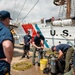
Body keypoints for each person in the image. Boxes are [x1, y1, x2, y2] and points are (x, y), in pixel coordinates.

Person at [0, 10, 14, 75]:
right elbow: (7, 45)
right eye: (9, 20)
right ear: (7, 19)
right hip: (2, 65)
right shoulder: (5, 30)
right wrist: (9, 59)